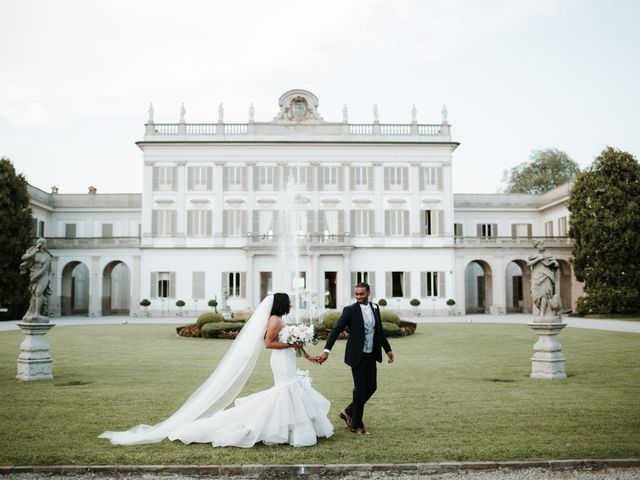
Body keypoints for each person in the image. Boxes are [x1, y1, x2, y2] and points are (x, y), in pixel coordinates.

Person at [100, 293, 333, 447]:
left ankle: (291, 430)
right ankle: (278, 429)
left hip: (288, 358)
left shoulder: (280, 320)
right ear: (282, 304)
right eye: (288, 301)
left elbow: (292, 343)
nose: (291, 304)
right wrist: (292, 343)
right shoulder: (274, 320)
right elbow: (268, 344)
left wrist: (306, 353)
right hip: (281, 360)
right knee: (285, 391)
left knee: (289, 391)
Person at [317, 282, 394, 435]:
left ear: (368, 293)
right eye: (356, 294)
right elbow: (336, 330)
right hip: (357, 355)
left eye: (361, 294)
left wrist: (388, 349)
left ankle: (347, 411)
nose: (358, 297)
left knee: (372, 387)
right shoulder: (350, 310)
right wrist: (326, 351)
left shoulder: (375, 307)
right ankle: (356, 424)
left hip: (371, 354)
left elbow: (378, 331)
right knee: (359, 389)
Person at [19, 238, 52, 322]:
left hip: (43, 275)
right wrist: (33, 252)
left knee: (38, 292)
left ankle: (37, 313)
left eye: (42, 243)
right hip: (33, 273)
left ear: (45, 245)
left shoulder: (47, 256)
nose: (40, 244)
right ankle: (32, 311)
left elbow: (44, 269)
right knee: (34, 294)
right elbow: (23, 258)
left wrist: (35, 276)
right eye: (39, 243)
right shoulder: (33, 252)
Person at [527, 240, 561, 318]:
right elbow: (528, 263)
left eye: (543, 244)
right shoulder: (533, 255)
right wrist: (538, 259)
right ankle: (541, 310)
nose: (542, 246)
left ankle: (542, 313)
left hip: (546, 276)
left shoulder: (548, 255)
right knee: (535, 296)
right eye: (540, 244)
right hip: (536, 277)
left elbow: (555, 264)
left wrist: (556, 264)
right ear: (536, 246)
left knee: (544, 294)